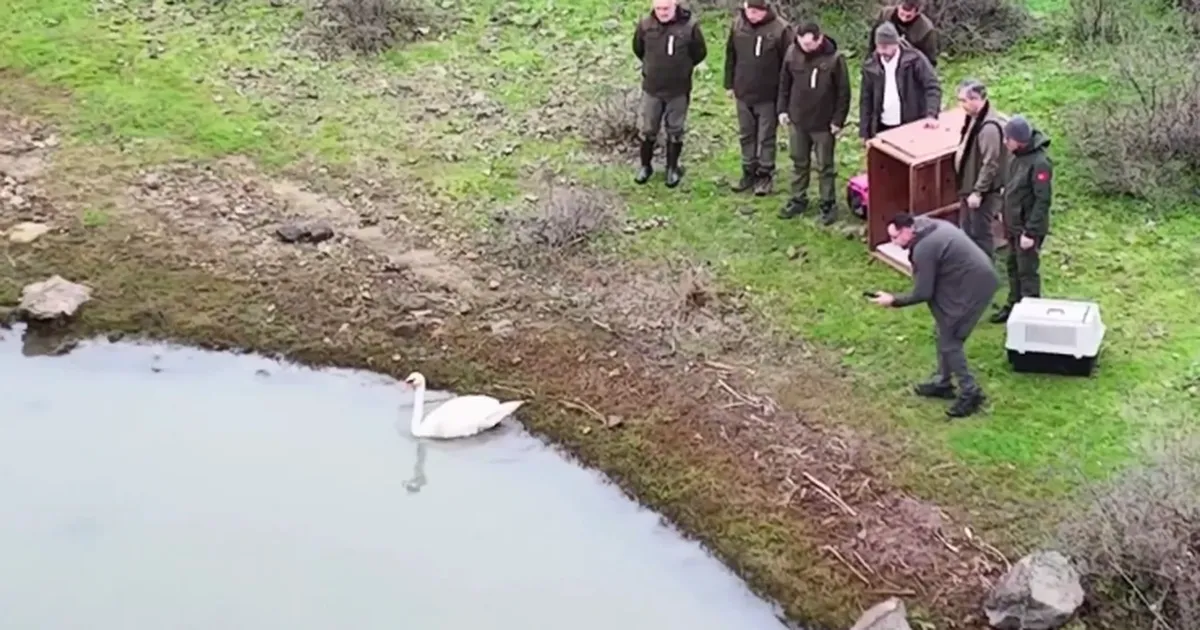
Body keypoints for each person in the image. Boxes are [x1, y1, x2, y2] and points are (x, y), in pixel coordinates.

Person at [869, 213, 998, 418]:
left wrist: (893, 300)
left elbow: (923, 292)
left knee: (951, 339)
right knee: (942, 330)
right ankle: (943, 382)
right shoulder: (929, 226)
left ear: (907, 230)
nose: (893, 243)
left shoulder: (924, 248)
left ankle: (970, 392)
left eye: (895, 237)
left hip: (975, 286)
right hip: (967, 279)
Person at [776, 22, 850, 224]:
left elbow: (844, 93)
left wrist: (838, 121)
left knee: (825, 166)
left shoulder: (835, 59)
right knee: (799, 162)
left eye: (810, 44)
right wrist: (782, 109)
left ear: (819, 39)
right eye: (802, 43)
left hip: (824, 124)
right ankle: (798, 199)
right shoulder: (792, 53)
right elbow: (784, 83)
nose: (805, 48)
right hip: (798, 120)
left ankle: (828, 203)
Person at [632, 0, 708, 188]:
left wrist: (683, 69)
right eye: (658, 9)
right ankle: (645, 166)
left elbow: (699, 52)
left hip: (678, 90)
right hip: (652, 88)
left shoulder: (690, 26)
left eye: (666, 8)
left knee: (675, 130)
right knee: (648, 129)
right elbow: (638, 48)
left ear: (675, 5)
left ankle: (672, 168)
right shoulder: (645, 24)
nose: (662, 12)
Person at [723, 0, 793, 196]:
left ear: (765, 9)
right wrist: (729, 83)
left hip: (769, 95)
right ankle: (748, 172)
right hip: (743, 91)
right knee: (746, 134)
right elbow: (730, 55)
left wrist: (785, 98)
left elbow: (790, 64)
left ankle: (765, 175)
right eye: (749, 10)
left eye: (756, 11)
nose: (751, 14)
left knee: (766, 137)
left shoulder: (781, 29)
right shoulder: (738, 24)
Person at [990, 115, 1053, 323]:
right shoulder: (1015, 157)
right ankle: (1013, 306)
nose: (1005, 142)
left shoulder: (1040, 163)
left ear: (1019, 140)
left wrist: (1030, 232)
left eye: (1008, 138)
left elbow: (1042, 201)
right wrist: (1002, 211)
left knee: (1027, 272)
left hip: (1027, 229)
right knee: (1013, 267)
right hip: (1013, 225)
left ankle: (1030, 316)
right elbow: (1009, 188)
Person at [858, 22, 941, 143]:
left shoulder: (915, 60)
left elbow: (932, 87)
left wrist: (931, 115)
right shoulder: (870, 66)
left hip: (911, 125)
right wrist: (864, 132)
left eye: (885, 47)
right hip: (882, 126)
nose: (881, 51)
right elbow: (866, 100)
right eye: (879, 46)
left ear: (896, 44)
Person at [953, 79, 1006, 260]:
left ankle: (984, 270)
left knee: (980, 232)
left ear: (976, 99)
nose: (961, 105)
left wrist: (978, 191)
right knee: (967, 228)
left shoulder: (989, 128)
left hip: (981, 192)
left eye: (964, 101)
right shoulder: (974, 118)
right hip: (968, 185)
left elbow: (991, 163)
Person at [867, 0, 940, 68]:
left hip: (909, 69)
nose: (904, 19)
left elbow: (930, 61)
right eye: (902, 14)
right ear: (898, 7)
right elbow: (873, 41)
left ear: (917, 13)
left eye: (908, 16)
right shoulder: (885, 15)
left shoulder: (927, 30)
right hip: (882, 63)